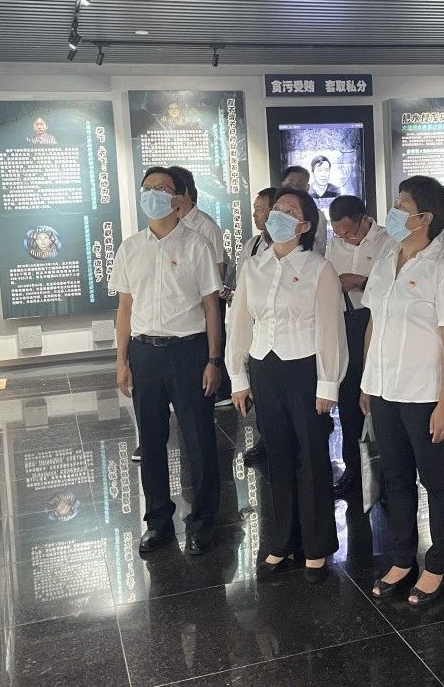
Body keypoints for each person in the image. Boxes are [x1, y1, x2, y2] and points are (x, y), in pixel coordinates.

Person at [227, 188, 347, 583]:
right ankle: (281, 540)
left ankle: (316, 547)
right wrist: (238, 376)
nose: (278, 214)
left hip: (305, 368)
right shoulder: (253, 266)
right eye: (276, 208)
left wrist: (328, 384)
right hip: (265, 366)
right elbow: (239, 323)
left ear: (305, 225)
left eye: (289, 211)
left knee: (311, 456)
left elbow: (330, 329)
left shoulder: (318, 268)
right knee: (276, 456)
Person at [361, 176, 444, 607]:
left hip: (424, 394)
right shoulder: (385, 260)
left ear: (424, 218)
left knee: (435, 480)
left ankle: (436, 566)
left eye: (401, 204)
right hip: (384, 389)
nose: (393, 211)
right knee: (395, 477)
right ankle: (402, 559)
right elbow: (374, 322)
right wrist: (368, 381)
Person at [112, 167, 223, 556]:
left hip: (189, 352)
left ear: (178, 197)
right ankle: (158, 522)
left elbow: (212, 307)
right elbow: (125, 308)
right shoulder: (130, 248)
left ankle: (203, 523)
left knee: (199, 440)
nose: (153, 193)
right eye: (148, 188)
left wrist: (213, 359)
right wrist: (122, 360)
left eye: (162, 188)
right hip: (144, 353)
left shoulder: (197, 246)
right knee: (151, 441)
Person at [326, 195, 394, 495]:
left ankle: (389, 474)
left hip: (377, 322)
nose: (345, 238)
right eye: (339, 233)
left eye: (350, 232)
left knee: (380, 399)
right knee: (348, 399)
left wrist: (360, 281)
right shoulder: (333, 245)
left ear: (364, 220)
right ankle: (353, 469)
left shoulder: (387, 242)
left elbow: (394, 284)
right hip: (344, 324)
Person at [168, 165, 232, 407]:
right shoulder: (170, 225)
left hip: (206, 299)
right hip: (181, 303)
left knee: (210, 347)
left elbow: (218, 270)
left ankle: (220, 390)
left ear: (184, 192)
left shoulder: (205, 226)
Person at [232, 187, 278, 464]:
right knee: (261, 393)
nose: (255, 214)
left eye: (261, 209)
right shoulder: (251, 246)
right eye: (255, 209)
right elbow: (242, 289)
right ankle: (266, 438)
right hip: (257, 330)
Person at [280, 165, 328, 253]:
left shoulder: (317, 215)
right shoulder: (274, 212)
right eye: (290, 184)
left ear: (307, 188)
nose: (294, 188)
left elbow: (320, 247)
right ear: (283, 184)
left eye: (299, 185)